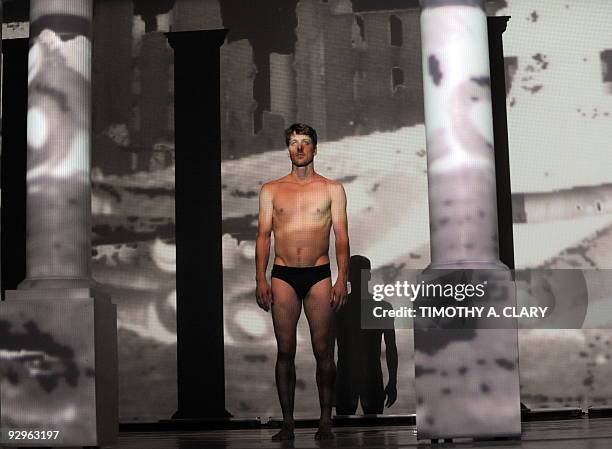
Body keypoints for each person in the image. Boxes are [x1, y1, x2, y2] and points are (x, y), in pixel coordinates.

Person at [255, 123, 349, 440]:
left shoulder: (331, 188)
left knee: (324, 350)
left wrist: (342, 279)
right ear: (287, 148)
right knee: (286, 350)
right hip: (283, 274)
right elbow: (263, 236)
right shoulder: (271, 189)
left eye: (305, 142)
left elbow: (341, 237)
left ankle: (325, 420)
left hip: (319, 273)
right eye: (293, 142)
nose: (299, 148)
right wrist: (260, 278)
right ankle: (288, 422)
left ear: (314, 148)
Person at [335, 255, 398, 415]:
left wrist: (331, 383)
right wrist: (393, 381)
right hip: (370, 374)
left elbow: (328, 349)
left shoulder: (340, 308)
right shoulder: (382, 307)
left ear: (348, 275)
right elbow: (390, 348)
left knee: (344, 434)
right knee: (374, 429)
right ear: (369, 275)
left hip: (346, 374)